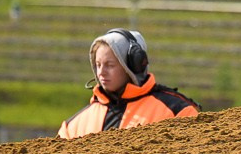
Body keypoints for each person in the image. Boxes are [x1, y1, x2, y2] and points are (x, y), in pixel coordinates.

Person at [59, 29, 200, 138]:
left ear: (133, 66)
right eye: (98, 65)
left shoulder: (179, 112)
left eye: (110, 65)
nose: (101, 72)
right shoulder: (71, 127)